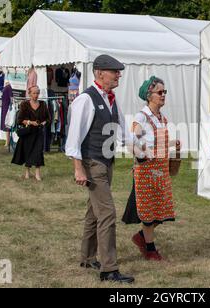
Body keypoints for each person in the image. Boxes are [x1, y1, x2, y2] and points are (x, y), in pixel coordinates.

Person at [65, 54, 134, 283]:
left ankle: (87, 257)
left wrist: (147, 145)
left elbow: (123, 133)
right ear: (99, 73)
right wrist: (78, 168)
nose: (118, 75)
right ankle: (109, 269)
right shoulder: (86, 99)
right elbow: (74, 138)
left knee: (94, 211)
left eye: (118, 71)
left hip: (107, 161)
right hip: (93, 162)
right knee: (107, 213)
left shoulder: (111, 100)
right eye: (115, 71)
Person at [125, 76, 179, 261]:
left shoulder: (162, 118)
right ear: (149, 95)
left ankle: (141, 237)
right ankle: (150, 249)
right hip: (147, 171)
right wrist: (142, 154)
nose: (163, 95)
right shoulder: (142, 117)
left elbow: (158, 144)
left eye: (165, 92)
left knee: (161, 211)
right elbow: (131, 142)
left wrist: (173, 144)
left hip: (161, 171)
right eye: (160, 92)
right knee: (149, 212)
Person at [11, 86, 50, 181]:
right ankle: (27, 172)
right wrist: (30, 122)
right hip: (28, 132)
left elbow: (48, 118)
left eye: (37, 93)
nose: (36, 95)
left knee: (38, 152)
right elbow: (19, 120)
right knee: (28, 151)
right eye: (34, 93)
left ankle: (37, 173)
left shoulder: (43, 104)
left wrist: (43, 123)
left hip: (38, 132)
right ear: (29, 94)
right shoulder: (24, 104)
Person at [1, 81, 13, 148]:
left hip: (7, 107)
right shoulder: (7, 86)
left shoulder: (9, 87)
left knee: (7, 123)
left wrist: (10, 107)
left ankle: (7, 141)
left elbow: (11, 97)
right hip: (4, 106)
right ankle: (7, 140)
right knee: (5, 123)